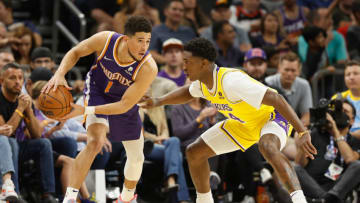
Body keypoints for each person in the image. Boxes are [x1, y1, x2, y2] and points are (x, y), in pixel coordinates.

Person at [141, 38, 316, 203]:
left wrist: (302, 131)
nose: (183, 66)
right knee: (194, 152)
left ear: (203, 63)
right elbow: (187, 92)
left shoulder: (231, 81)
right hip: (242, 124)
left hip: (270, 118)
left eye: (188, 61)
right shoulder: (203, 82)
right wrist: (158, 101)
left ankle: (300, 200)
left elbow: (277, 99)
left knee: (267, 146)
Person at [42, 16, 158, 203]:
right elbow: (76, 51)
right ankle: (70, 198)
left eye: (148, 41)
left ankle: (126, 197)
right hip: (98, 90)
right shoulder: (106, 40)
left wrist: (85, 110)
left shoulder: (149, 67)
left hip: (124, 101)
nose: (144, 47)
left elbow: (124, 105)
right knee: (95, 142)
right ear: (127, 39)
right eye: (140, 41)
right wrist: (59, 73)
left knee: (137, 156)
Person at [295, 99, 360, 203]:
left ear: (352, 120)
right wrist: (305, 139)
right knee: (295, 168)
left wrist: (335, 132)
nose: (339, 114)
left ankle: (324, 200)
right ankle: (326, 200)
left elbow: (350, 159)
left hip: (336, 187)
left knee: (357, 165)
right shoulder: (316, 134)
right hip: (312, 186)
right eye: (338, 111)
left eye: (345, 111)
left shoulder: (355, 141)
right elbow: (300, 163)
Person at [265, 52, 313, 127]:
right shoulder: (268, 82)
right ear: (279, 68)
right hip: (271, 124)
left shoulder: (304, 85)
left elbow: (307, 114)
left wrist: (300, 130)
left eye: (293, 70)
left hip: (294, 126)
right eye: (286, 70)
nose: (289, 74)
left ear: (299, 71)